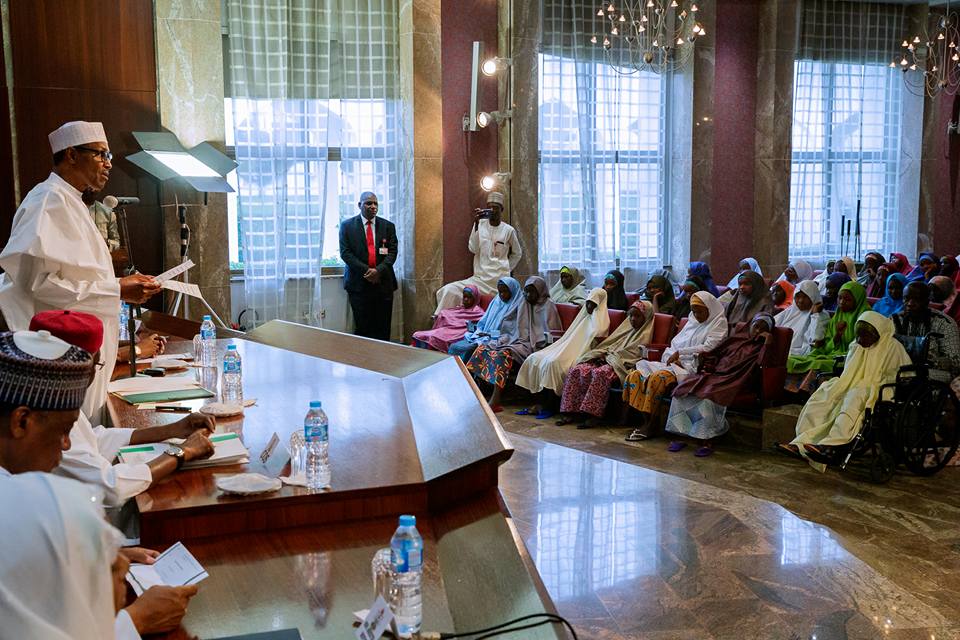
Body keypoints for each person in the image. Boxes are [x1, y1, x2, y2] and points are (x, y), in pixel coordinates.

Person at [0, 328, 198, 638]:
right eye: (63, 431)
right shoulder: (22, 505)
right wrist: (135, 621)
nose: (67, 445)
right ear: (21, 421)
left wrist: (90, 558)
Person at [0, 121, 162, 421]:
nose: (108, 164)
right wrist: (118, 289)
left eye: (109, 156)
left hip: (81, 355)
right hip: (60, 355)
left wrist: (120, 288)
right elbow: (41, 284)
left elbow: (78, 276)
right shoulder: (48, 201)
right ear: (72, 155)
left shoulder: (72, 201)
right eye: (101, 154)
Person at [28, 310, 215, 507]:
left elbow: (92, 440)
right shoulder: (46, 416)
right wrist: (182, 452)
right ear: (80, 367)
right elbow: (111, 487)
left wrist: (173, 429)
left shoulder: (44, 392)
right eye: (97, 363)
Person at [783, 311, 911, 471]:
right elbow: (848, 373)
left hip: (877, 389)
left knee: (854, 398)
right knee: (825, 395)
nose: (859, 340)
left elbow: (904, 375)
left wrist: (876, 382)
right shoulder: (857, 346)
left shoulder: (893, 348)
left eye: (864, 336)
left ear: (877, 334)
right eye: (858, 336)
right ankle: (801, 444)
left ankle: (830, 446)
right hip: (851, 384)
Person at [665, 312, 776, 456]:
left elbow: (762, 365)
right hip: (715, 375)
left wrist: (767, 343)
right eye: (756, 326)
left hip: (736, 379)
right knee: (682, 391)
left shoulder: (762, 347)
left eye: (763, 328)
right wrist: (706, 361)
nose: (758, 331)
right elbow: (716, 353)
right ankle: (681, 435)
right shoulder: (736, 340)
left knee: (708, 397)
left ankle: (707, 439)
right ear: (750, 326)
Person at [623, 292, 727, 441]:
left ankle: (652, 425)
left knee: (657, 379)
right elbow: (673, 346)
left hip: (693, 368)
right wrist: (671, 358)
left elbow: (709, 347)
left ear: (710, 308)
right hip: (673, 365)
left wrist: (681, 356)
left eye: (700, 311)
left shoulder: (718, 323)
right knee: (635, 375)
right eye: (694, 311)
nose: (696, 315)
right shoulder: (691, 323)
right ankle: (646, 421)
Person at [466, 277, 560, 411]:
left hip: (539, 345)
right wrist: (504, 339)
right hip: (520, 341)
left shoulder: (548, 306)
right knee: (483, 349)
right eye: (526, 292)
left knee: (503, 354)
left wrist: (537, 341)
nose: (528, 295)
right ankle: (474, 392)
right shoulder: (525, 303)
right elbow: (518, 329)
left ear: (540, 291)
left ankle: (495, 399)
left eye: (531, 292)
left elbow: (553, 332)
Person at [556, 301, 655, 428]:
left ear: (645, 317)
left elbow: (633, 356)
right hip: (608, 358)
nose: (632, 319)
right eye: (630, 315)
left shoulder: (645, 334)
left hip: (621, 366)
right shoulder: (626, 328)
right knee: (578, 369)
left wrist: (609, 356)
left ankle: (593, 415)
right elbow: (611, 344)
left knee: (600, 374)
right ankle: (570, 411)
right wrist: (602, 354)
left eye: (637, 316)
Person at [515, 288, 610, 418]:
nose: (588, 307)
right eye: (587, 303)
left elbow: (598, 334)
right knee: (535, 358)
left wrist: (595, 315)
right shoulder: (584, 316)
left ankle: (550, 406)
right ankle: (538, 402)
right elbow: (570, 336)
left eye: (592, 304)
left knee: (553, 363)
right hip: (566, 347)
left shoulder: (602, 320)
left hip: (581, 352)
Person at [433, 192, 522, 313]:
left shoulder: (508, 230)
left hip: (499, 282)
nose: (492, 210)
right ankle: (441, 320)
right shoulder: (480, 225)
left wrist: (505, 268)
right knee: (449, 290)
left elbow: (517, 253)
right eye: (489, 207)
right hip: (479, 279)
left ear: (502, 209)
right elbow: (473, 249)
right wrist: (475, 224)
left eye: (495, 207)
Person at [339, 191, 398, 341]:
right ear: (359, 205)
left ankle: (383, 361)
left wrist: (378, 271)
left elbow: (392, 252)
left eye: (375, 203)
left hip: (383, 284)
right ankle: (364, 362)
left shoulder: (388, 226)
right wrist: (368, 271)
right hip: (358, 285)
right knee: (363, 328)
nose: (373, 206)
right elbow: (346, 254)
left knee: (383, 328)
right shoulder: (347, 226)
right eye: (368, 203)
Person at [787, 281, 870, 377]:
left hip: (849, 358)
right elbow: (826, 345)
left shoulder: (865, 317)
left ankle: (803, 390)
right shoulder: (838, 315)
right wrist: (837, 335)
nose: (842, 302)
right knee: (791, 360)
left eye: (847, 299)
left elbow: (861, 348)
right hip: (830, 354)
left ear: (858, 300)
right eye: (840, 298)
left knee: (816, 364)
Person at [892, 281, 960, 379]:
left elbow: (956, 363)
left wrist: (930, 359)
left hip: (934, 372)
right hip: (901, 368)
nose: (910, 304)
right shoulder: (895, 320)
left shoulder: (944, 323)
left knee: (911, 377)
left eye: (917, 299)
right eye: (906, 299)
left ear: (927, 302)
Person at [447, 277, 522, 362]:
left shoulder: (517, 307)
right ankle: (455, 371)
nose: (502, 295)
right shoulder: (496, 301)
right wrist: (480, 331)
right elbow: (483, 322)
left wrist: (489, 334)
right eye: (500, 292)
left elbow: (512, 333)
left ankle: (466, 373)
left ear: (513, 291)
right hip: (484, 336)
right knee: (454, 346)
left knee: (469, 348)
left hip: (499, 339)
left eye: (505, 291)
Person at [412, 286, 486, 352]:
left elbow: (477, 326)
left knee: (433, 337)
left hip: (456, 334)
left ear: (475, 298)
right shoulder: (460, 308)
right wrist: (444, 314)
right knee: (418, 334)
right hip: (446, 330)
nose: (466, 300)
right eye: (464, 297)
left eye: (469, 297)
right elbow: (451, 315)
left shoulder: (478, 312)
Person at [775, 281, 829, 357]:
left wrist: (815, 315)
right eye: (797, 296)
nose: (800, 301)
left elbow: (816, 340)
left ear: (813, 297)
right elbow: (772, 325)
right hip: (779, 353)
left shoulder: (821, 315)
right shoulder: (790, 311)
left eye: (805, 297)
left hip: (799, 356)